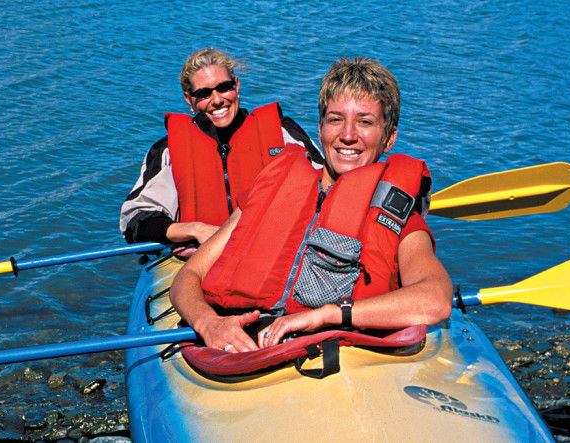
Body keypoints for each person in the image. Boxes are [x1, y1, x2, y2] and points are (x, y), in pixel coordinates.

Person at [170, 57, 453, 353]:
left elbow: (436, 299)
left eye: (365, 122)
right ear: (319, 129)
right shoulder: (272, 187)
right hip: (239, 347)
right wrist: (209, 323)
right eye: (336, 119)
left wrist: (328, 314)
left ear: (389, 138)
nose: (348, 135)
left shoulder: (396, 215)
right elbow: (187, 277)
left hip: (327, 356)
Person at [120, 47, 323, 246]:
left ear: (236, 85)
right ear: (189, 99)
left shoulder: (282, 133)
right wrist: (196, 230)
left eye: (224, 87)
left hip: (271, 251)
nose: (217, 100)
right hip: (201, 259)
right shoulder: (169, 151)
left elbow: (327, 187)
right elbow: (135, 221)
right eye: (204, 93)